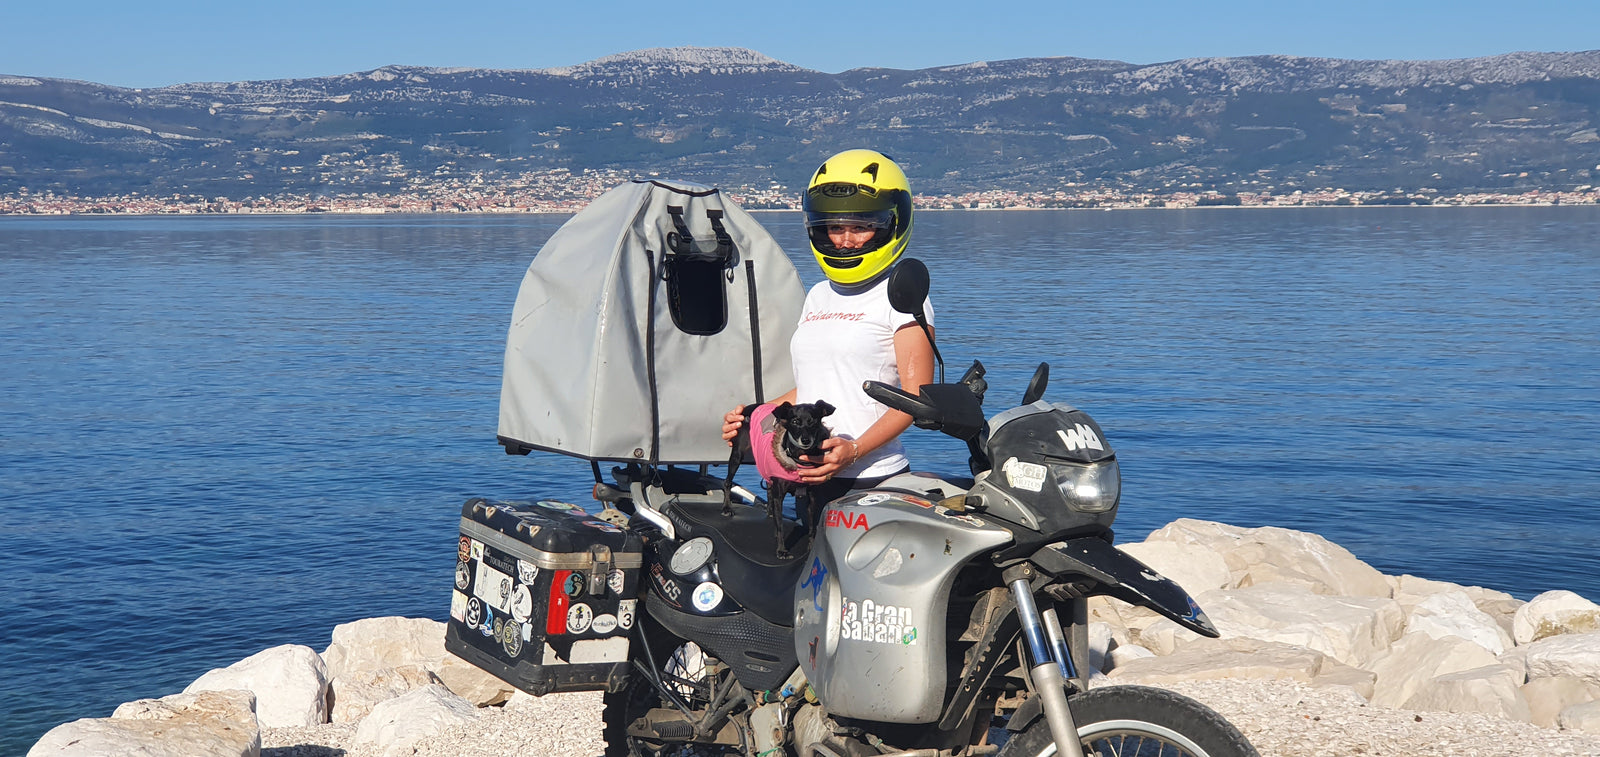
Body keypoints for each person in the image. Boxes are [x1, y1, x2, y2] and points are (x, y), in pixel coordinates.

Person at [723, 148, 935, 514]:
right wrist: (756, 418)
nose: (845, 241)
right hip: (806, 473)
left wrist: (852, 451)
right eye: (835, 227)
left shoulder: (901, 295)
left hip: (872, 478)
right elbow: (815, 383)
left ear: (891, 224)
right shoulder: (820, 294)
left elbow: (917, 399)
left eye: (861, 226)